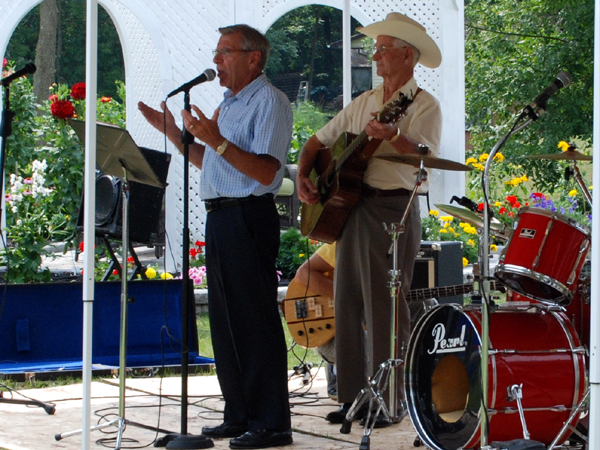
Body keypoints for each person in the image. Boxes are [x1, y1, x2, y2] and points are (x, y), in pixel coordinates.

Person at [138, 24, 293, 449]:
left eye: (225, 52)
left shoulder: (270, 102)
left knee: (254, 319)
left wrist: (217, 139)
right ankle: (239, 413)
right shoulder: (228, 103)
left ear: (253, 58)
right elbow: (213, 162)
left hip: (249, 215)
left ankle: (272, 423)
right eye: (216, 51)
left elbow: (266, 172)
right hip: (221, 215)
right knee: (225, 322)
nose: (215, 61)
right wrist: (172, 131)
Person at [296, 12, 442, 427]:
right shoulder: (365, 102)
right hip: (353, 206)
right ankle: (353, 396)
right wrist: (307, 176)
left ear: (407, 56)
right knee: (347, 300)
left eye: (382, 49)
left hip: (393, 207)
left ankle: (389, 400)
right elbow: (316, 141)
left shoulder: (424, 105)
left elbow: (425, 154)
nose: (375, 56)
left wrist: (393, 136)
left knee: (385, 306)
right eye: (375, 49)